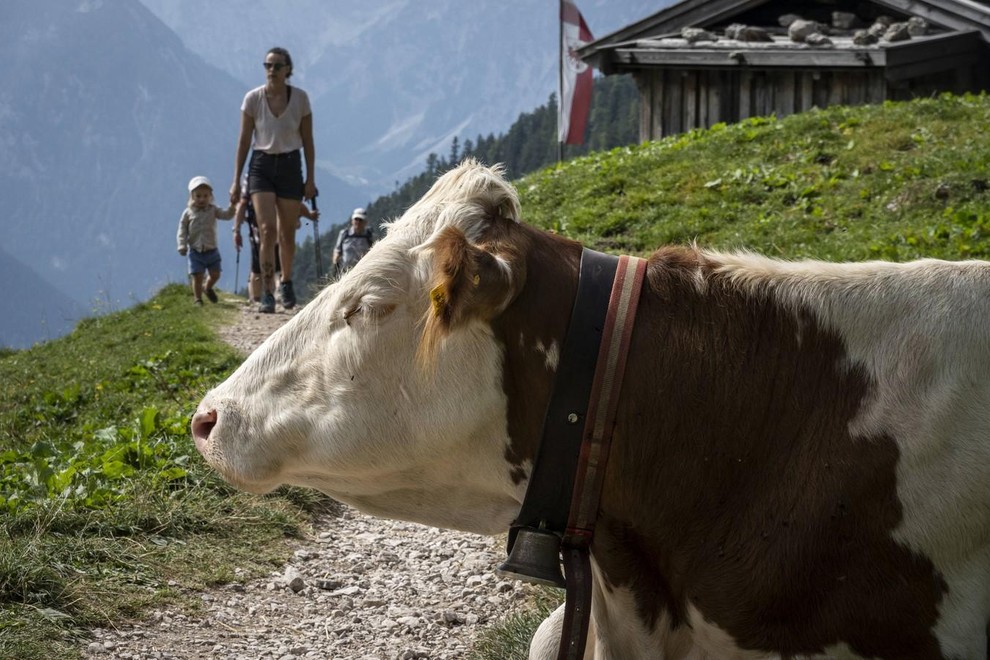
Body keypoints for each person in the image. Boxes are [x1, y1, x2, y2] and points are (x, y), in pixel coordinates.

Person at [230, 46, 316, 313]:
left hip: (291, 164)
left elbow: (308, 141)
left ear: (288, 69)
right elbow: (244, 140)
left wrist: (310, 178)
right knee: (266, 229)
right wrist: (236, 180)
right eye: (267, 65)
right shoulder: (252, 99)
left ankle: (286, 282)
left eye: (277, 66)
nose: (271, 70)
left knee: (287, 231)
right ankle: (268, 291)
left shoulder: (300, 99)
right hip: (261, 165)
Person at [233, 175, 318, 304]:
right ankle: (278, 295)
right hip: (278, 237)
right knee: (277, 270)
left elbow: (243, 204)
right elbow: (297, 204)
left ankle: (256, 301)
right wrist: (310, 216)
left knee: (256, 270)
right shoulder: (282, 177)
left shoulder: (252, 179)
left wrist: (237, 229)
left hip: (258, 235)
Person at [177, 176, 235, 305]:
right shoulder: (188, 213)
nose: (202, 199)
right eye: (198, 196)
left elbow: (227, 215)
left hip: (211, 249)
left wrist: (232, 206)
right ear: (192, 196)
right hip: (195, 250)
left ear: (210, 196)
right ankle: (198, 299)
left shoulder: (213, 210)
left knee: (215, 274)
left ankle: (207, 287)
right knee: (197, 276)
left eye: (205, 196)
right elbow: (182, 230)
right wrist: (182, 245)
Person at [333, 207, 375, 274]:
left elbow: (374, 252)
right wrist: (335, 265)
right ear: (352, 220)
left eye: (360, 220)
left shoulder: (369, 236)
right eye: (356, 219)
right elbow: (337, 251)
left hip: (363, 272)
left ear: (365, 222)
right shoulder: (344, 234)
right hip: (344, 272)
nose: (358, 222)